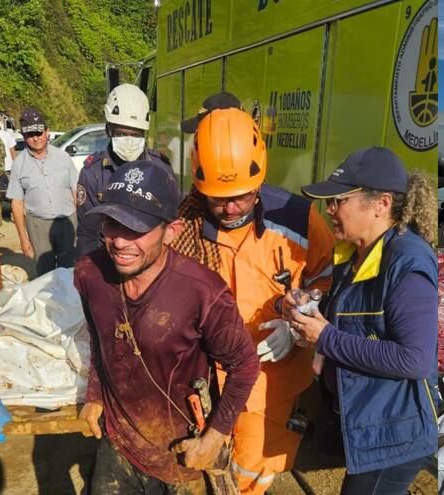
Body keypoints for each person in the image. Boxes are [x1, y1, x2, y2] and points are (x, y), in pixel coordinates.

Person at [171, 107, 334, 494]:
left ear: (259, 178)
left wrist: (298, 325)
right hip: (207, 379)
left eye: (240, 198)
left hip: (273, 382)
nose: (230, 209)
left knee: (254, 467)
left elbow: (326, 282)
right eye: (218, 200)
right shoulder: (186, 229)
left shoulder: (298, 219)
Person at [74, 160, 259, 493]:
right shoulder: (89, 274)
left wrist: (214, 437)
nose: (118, 241)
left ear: (170, 232)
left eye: (135, 229)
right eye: (111, 224)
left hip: (180, 454)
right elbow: (99, 337)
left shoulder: (203, 292)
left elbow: (245, 366)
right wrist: (95, 394)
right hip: (120, 443)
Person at [290, 146, 438, 495]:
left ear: (381, 204)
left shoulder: (407, 263)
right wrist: (310, 307)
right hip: (367, 421)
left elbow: (414, 360)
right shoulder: (355, 253)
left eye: (338, 201)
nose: (329, 211)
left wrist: (325, 337)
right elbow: (355, 319)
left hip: (393, 435)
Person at [76, 84, 171, 258]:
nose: (129, 140)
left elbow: (169, 225)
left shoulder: (160, 168)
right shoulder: (93, 172)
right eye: (121, 133)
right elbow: (87, 234)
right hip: (108, 259)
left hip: (150, 260)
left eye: (135, 134)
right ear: (108, 130)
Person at [7, 107, 79, 276]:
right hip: (38, 225)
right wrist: (23, 239)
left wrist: (81, 225)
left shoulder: (63, 158)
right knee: (44, 274)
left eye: (39, 133)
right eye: (30, 135)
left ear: (47, 132)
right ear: (24, 136)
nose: (36, 138)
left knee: (69, 272)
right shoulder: (19, 165)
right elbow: (16, 204)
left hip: (68, 222)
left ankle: (67, 302)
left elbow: (76, 191)